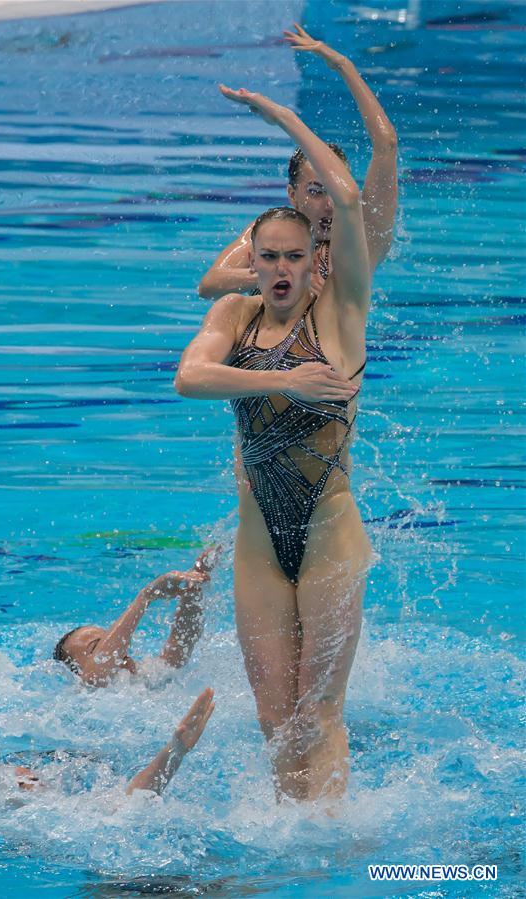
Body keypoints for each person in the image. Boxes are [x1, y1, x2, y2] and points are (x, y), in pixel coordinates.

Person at [176, 85, 374, 803]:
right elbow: (189, 377)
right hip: (261, 528)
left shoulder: (341, 306)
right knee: (272, 715)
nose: (283, 268)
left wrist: (285, 119)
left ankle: (326, 845)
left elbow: (348, 204)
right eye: (269, 257)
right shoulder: (234, 311)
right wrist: (286, 383)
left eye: (294, 254)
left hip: (328, 523)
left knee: (318, 710)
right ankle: (289, 836)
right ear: (251, 262)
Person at [198, 23, 397, 301]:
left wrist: (343, 65)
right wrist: (278, 274)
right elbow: (209, 285)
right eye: (316, 191)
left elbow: (386, 146)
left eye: (335, 192)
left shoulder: (363, 240)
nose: (330, 204)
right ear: (293, 195)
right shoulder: (273, 234)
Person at [53, 547, 218, 687]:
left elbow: (181, 643)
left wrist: (194, 583)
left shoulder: (144, 679)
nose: (118, 644)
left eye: (109, 638)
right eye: (98, 646)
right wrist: (145, 597)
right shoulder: (87, 694)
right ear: (78, 672)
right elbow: (95, 676)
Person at [8, 688, 215, 797]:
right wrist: (174, 752)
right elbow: (129, 806)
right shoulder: (3, 780)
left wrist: (175, 752)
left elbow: (128, 804)